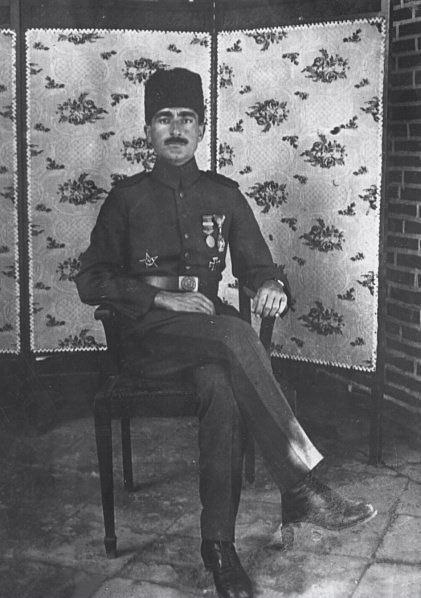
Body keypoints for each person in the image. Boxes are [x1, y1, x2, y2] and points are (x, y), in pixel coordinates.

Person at [76, 68, 376, 598]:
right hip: (145, 338)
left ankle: (219, 551)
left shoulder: (225, 195)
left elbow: (259, 267)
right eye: (163, 119)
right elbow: (90, 279)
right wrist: (160, 297)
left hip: (209, 336)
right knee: (236, 336)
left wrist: (272, 285)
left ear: (201, 128)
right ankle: (301, 484)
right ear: (147, 131)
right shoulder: (126, 199)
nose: (175, 129)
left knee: (222, 382)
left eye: (186, 119)